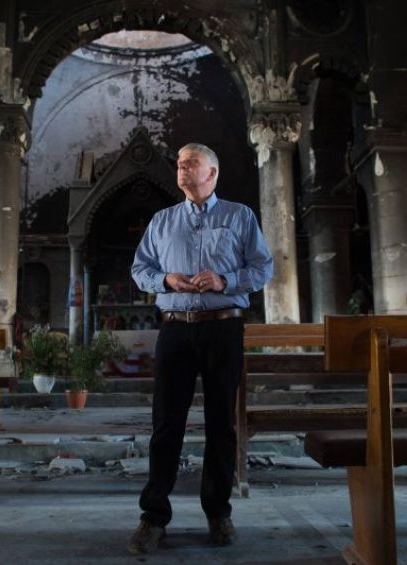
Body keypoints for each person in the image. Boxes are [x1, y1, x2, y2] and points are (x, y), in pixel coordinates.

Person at [128, 143, 273, 554]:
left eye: (191, 163)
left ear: (211, 173)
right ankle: (154, 517)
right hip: (175, 327)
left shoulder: (239, 216)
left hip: (222, 327)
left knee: (220, 424)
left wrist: (226, 281)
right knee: (165, 423)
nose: (182, 168)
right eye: (179, 163)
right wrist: (166, 280)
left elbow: (263, 267)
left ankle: (218, 513)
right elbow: (140, 268)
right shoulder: (162, 221)